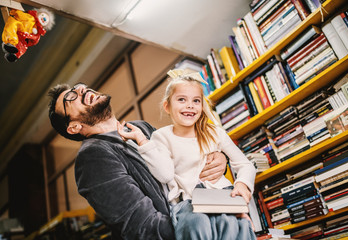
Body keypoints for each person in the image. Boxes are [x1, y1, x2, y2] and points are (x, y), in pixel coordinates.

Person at [47, 82, 228, 239]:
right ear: (74, 127)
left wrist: (218, 159)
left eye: (79, 87)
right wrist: (201, 226)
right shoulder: (92, 157)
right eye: (71, 97)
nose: (81, 89)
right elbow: (143, 227)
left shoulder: (141, 128)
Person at [117, 69, 257, 240]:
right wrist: (142, 141)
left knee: (236, 226)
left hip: (222, 196)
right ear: (167, 106)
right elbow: (165, 174)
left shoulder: (214, 133)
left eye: (196, 101)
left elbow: (245, 164)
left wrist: (243, 184)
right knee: (196, 223)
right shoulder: (161, 136)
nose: (190, 105)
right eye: (182, 99)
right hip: (188, 202)